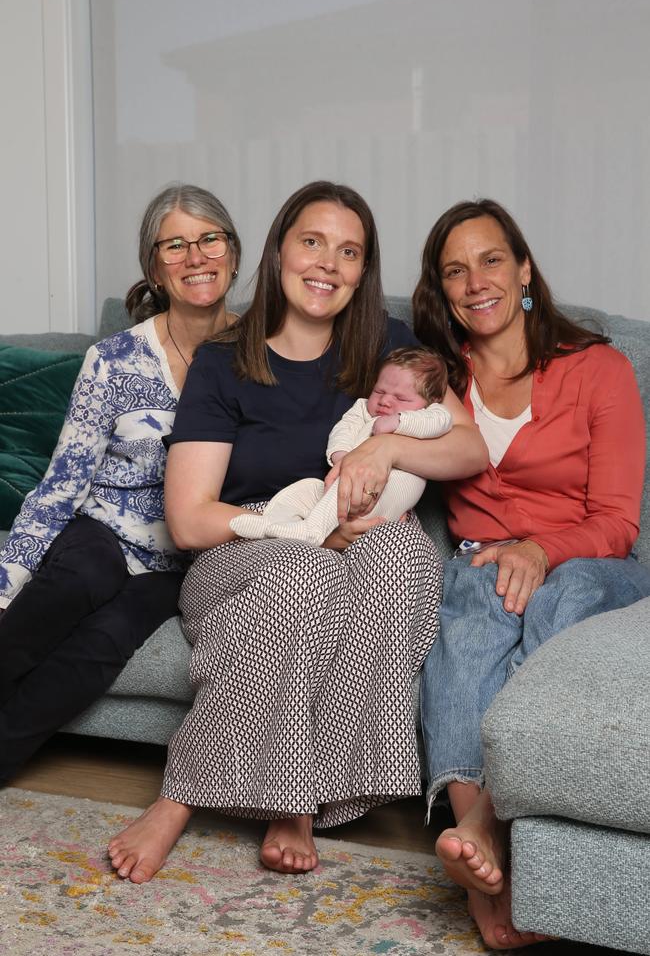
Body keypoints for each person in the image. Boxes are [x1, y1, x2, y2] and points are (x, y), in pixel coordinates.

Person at [106, 180, 488, 884]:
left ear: (363, 271)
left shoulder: (387, 346)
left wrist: (386, 448)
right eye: (312, 242)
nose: (328, 264)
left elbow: (469, 449)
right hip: (240, 560)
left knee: (405, 551)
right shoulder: (225, 360)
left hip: (341, 553)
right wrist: (297, 532)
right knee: (302, 570)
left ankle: (300, 794)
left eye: (349, 252)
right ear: (281, 248)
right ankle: (179, 794)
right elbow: (191, 519)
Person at [413, 198, 650, 950]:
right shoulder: (437, 380)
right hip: (481, 559)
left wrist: (541, 552)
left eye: (489, 260)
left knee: (560, 605)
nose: (474, 280)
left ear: (522, 270)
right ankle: (484, 860)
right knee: (467, 620)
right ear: (442, 291)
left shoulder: (599, 370)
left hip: (589, 562)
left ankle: (484, 821)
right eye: (455, 270)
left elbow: (617, 520)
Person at [0, 182, 241, 782]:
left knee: (103, 644)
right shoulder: (113, 359)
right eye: (175, 246)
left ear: (233, 254)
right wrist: (6, 585)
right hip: (101, 532)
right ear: (155, 269)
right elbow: (62, 483)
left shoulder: (259, 357)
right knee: (85, 573)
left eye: (209, 239)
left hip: (180, 560)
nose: (196, 257)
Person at [229, 345, 452, 546]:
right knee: (306, 488)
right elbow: (344, 428)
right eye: (380, 392)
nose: (385, 401)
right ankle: (272, 525)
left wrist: (400, 421)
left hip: (388, 492)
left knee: (349, 482)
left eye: (401, 399)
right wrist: (342, 456)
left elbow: (442, 421)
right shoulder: (363, 409)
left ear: (430, 401)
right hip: (343, 488)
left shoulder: (430, 414)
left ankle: (311, 531)